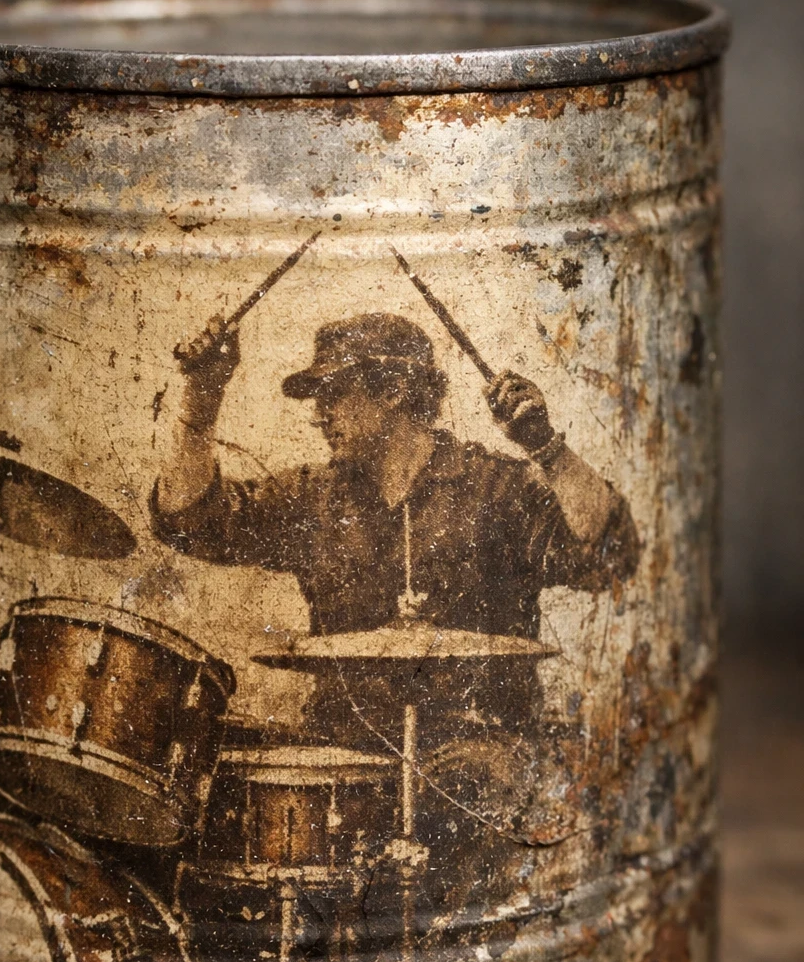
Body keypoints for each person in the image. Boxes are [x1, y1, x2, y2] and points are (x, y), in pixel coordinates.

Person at [150, 311, 639, 762]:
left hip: (482, 771)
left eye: (333, 395)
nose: (318, 415)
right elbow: (189, 521)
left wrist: (544, 446)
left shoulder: (496, 488)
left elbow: (609, 555)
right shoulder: (313, 498)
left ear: (393, 390)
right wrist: (202, 397)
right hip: (346, 772)